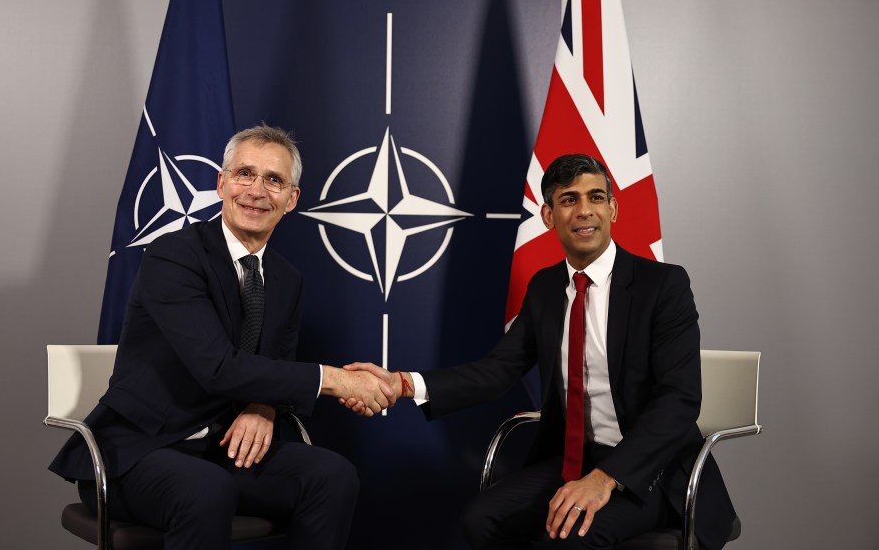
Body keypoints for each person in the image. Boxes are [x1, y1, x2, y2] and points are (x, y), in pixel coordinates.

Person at [345, 154, 737, 549]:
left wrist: (605, 478)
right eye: (569, 200)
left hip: (650, 468)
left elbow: (680, 399)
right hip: (574, 461)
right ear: (549, 216)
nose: (585, 211)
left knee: (565, 538)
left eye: (596, 197)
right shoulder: (546, 288)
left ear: (613, 209)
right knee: (480, 520)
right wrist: (403, 384)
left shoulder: (663, 285)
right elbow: (498, 369)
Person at [50, 125, 396, 550]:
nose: (256, 190)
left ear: (291, 199)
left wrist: (263, 406)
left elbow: (276, 365)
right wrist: (337, 380)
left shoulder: (287, 279)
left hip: (224, 449)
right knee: (207, 489)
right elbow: (217, 367)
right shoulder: (173, 255)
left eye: (274, 180)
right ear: (221, 183)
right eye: (244, 174)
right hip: (137, 452)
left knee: (332, 477)